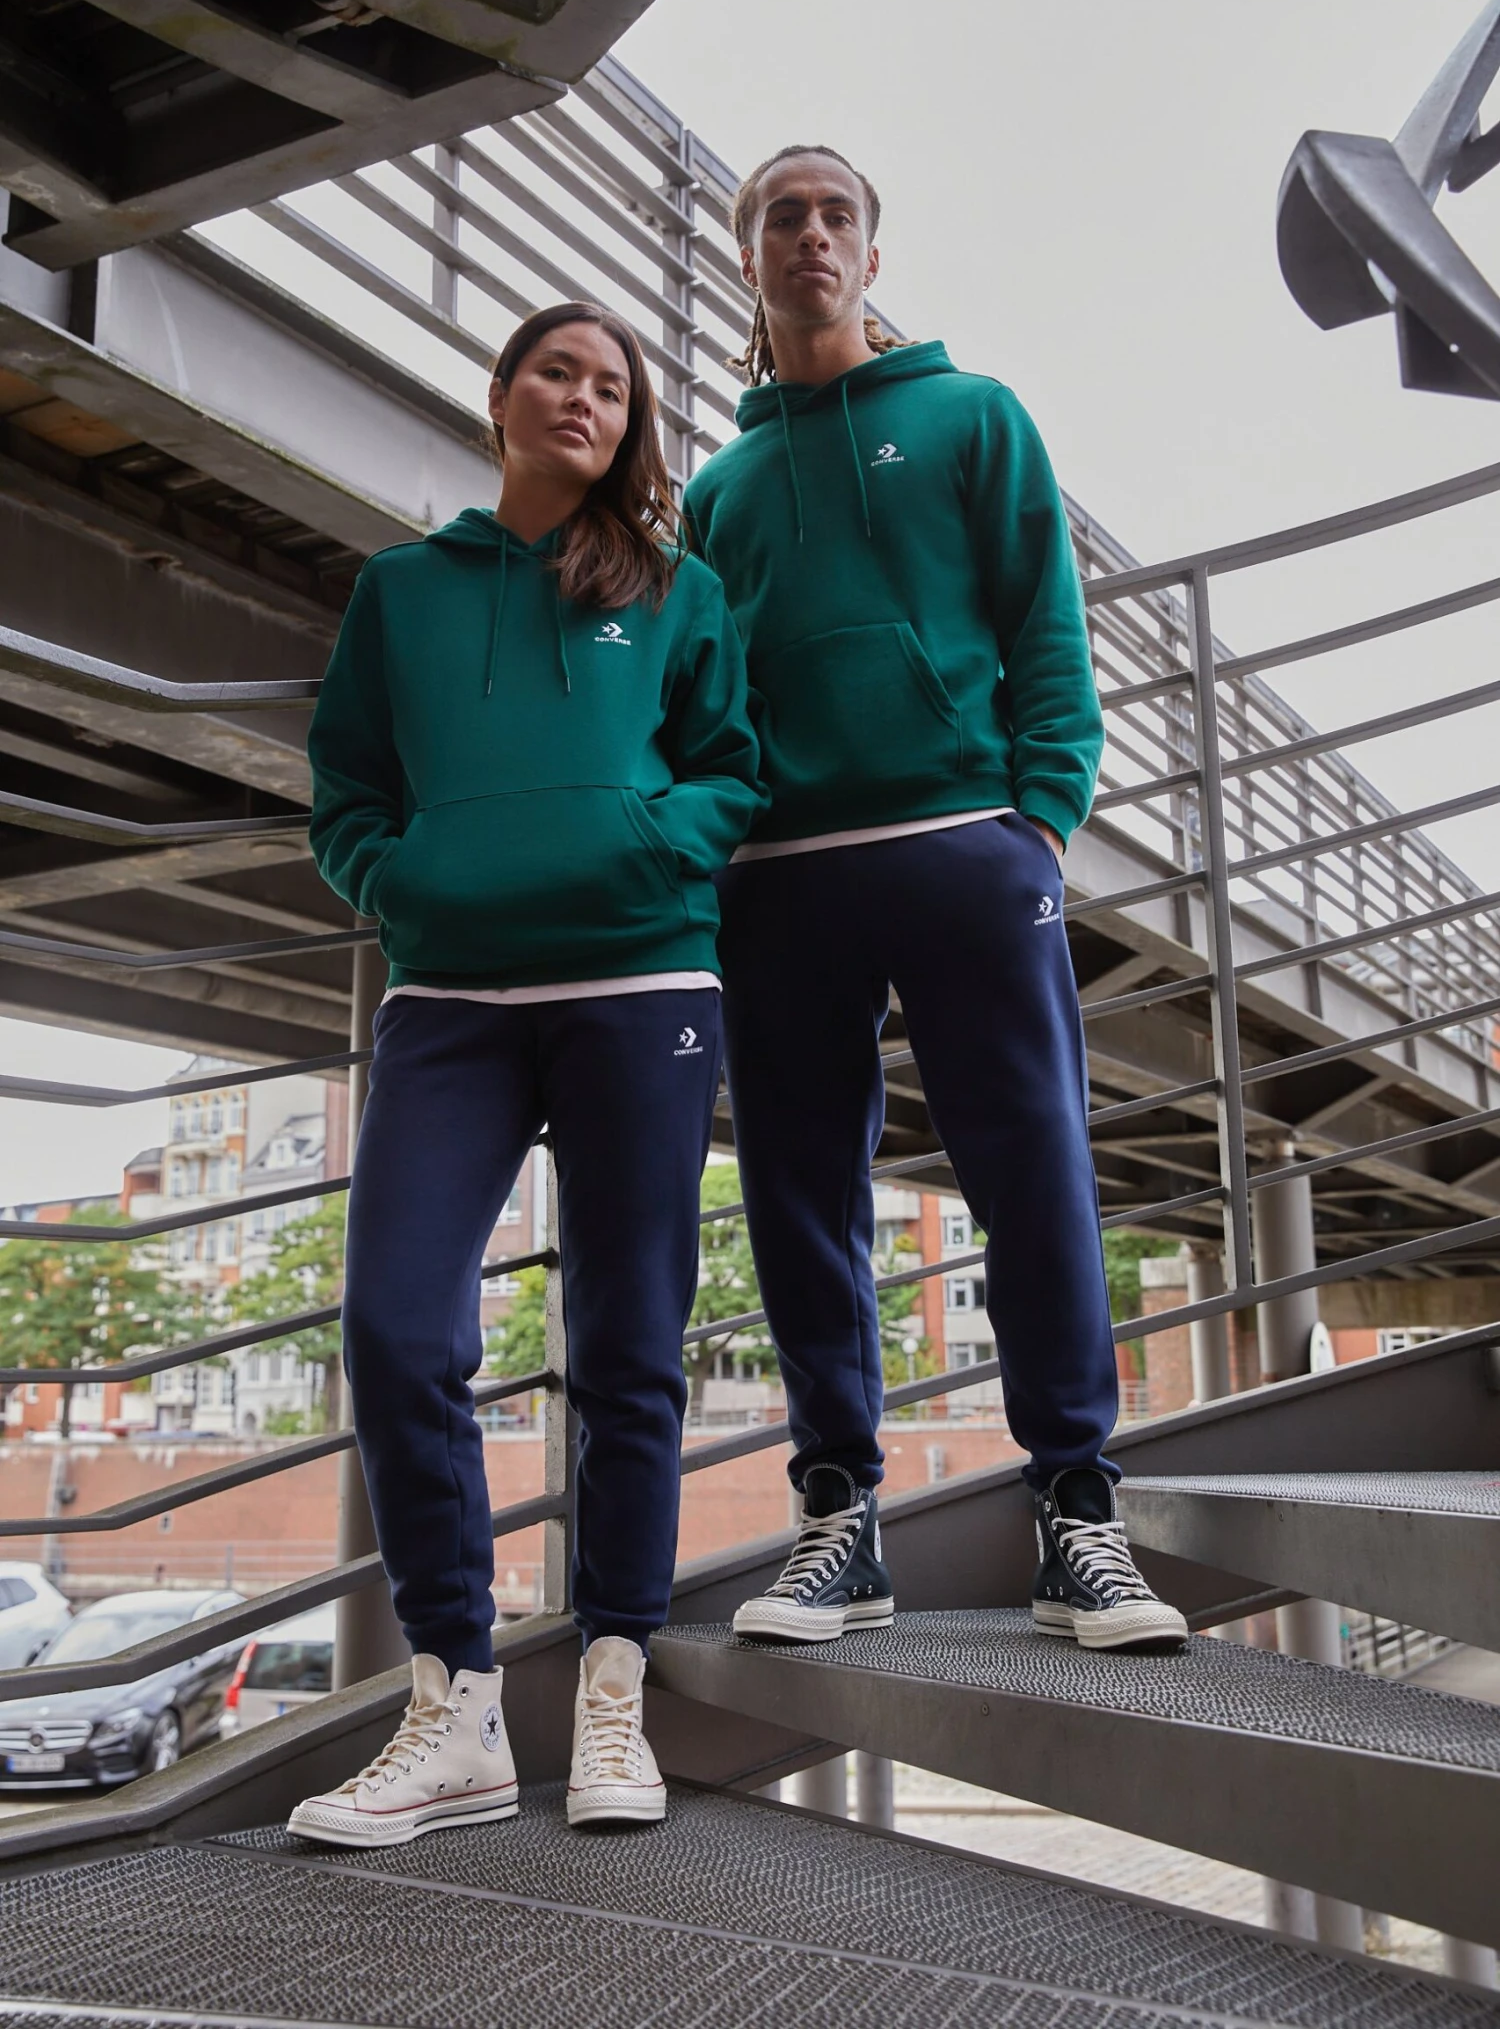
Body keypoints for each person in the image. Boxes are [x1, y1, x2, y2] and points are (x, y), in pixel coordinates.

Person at [683, 147, 1186, 1653]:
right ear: (750, 259)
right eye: (784, 216)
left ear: (871, 256)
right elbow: (705, 696)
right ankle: (840, 1521)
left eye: (836, 214)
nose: (812, 234)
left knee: (1032, 1167)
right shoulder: (717, 489)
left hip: (969, 842)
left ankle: (1078, 1514)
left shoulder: (973, 416)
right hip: (782, 875)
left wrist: (1042, 819)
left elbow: (1045, 623)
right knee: (798, 1194)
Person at [289, 301, 764, 1846]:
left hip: (641, 983)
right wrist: (399, 877)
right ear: (502, 394)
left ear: (630, 427)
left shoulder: (678, 591)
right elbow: (346, 787)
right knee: (393, 1326)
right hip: (450, 997)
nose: (584, 398)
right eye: (558, 370)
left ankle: (615, 1680)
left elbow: (733, 769)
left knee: (627, 1341)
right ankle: (458, 1705)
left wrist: (649, 840)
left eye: (613, 386)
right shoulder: (402, 589)